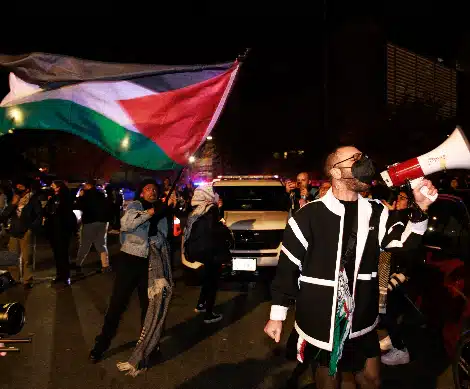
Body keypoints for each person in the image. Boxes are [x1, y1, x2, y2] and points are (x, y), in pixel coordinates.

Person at [264, 146, 437, 388]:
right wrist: (277, 316)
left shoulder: (377, 212)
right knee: (329, 382)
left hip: (363, 319)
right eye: (355, 159)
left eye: (363, 157)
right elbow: (287, 269)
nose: (363, 162)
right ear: (335, 172)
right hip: (319, 321)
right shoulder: (307, 217)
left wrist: (421, 209)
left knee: (371, 379)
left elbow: (403, 243)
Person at [89, 179, 175, 374]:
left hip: (150, 264)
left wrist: (162, 218)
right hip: (130, 261)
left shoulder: (162, 211)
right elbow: (126, 224)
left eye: (155, 189)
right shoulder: (135, 206)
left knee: (149, 306)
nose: (152, 191)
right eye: (147, 189)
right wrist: (151, 212)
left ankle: (150, 345)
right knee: (117, 305)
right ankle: (101, 345)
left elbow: (164, 236)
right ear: (141, 193)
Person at [183, 185, 231, 323]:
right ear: (207, 195)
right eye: (214, 193)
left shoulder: (197, 209)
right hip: (212, 251)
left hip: (201, 250)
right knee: (212, 282)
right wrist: (224, 227)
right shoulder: (211, 209)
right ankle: (209, 314)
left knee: (208, 279)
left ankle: (201, 305)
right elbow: (213, 230)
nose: (216, 195)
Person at [44, 181, 77, 286]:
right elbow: (47, 211)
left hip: (62, 229)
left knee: (63, 253)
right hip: (54, 228)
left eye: (53, 186)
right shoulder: (53, 198)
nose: (52, 187)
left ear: (58, 187)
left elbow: (65, 213)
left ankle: (66, 276)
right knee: (57, 253)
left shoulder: (65, 198)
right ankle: (59, 274)